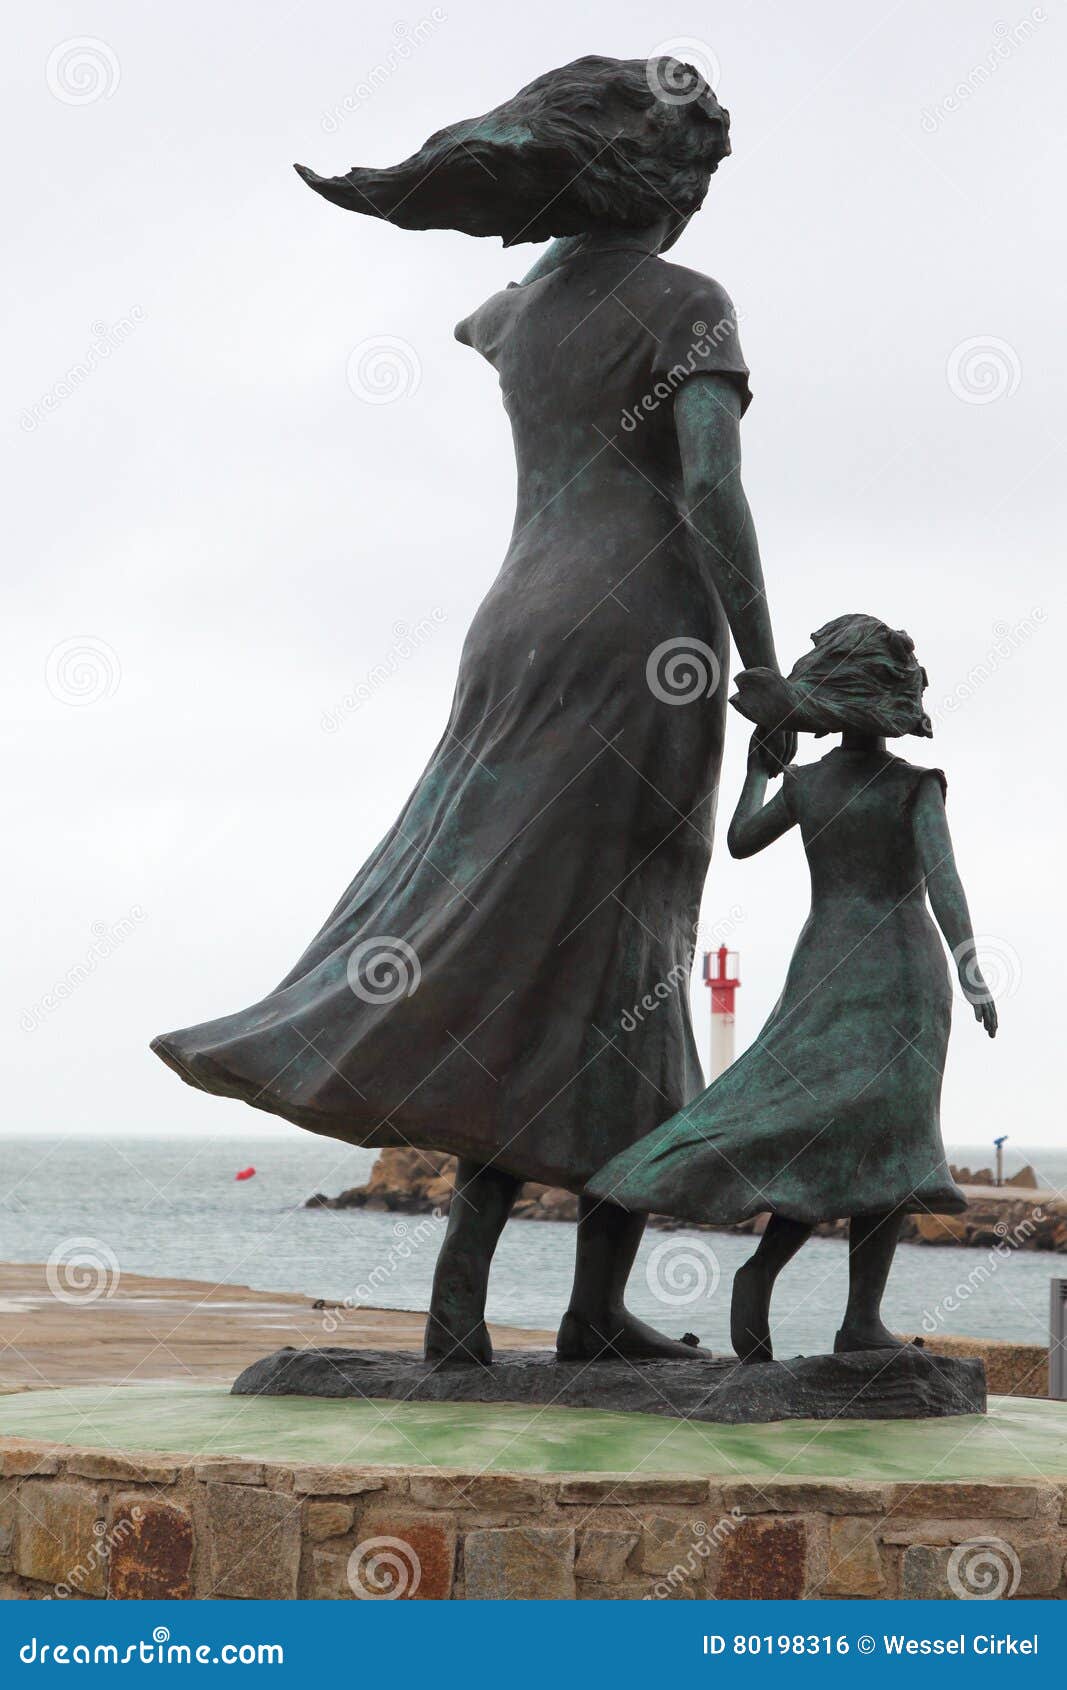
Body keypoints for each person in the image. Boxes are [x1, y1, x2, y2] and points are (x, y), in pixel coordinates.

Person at [151, 56, 795, 1366]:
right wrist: (766, 669)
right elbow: (710, 490)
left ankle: (464, 1310)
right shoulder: (686, 306)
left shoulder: (513, 313)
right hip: (640, 639)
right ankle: (588, 1313)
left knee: (516, 945)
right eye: (699, 180)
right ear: (666, 182)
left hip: (514, 629)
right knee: (625, 965)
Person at [587, 615, 997, 1362]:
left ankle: (765, 1271)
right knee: (890, 1140)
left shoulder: (808, 785)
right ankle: (858, 1322)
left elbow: (741, 840)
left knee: (821, 1130)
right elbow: (943, 883)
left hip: (825, 958)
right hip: (903, 965)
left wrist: (759, 770)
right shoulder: (912, 788)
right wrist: (971, 969)